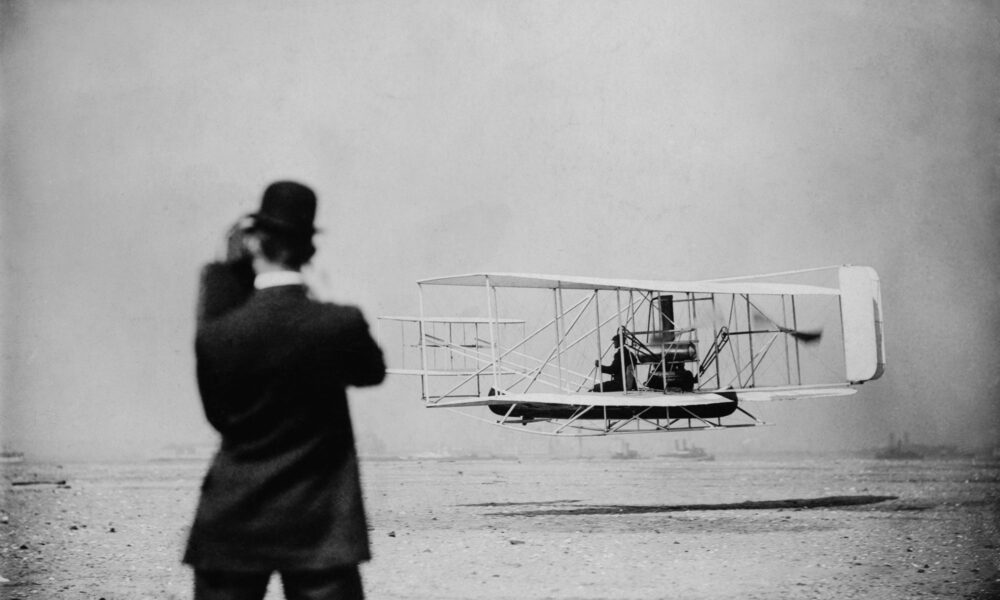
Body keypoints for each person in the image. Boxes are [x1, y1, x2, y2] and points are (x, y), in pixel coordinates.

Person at [183, 181, 386, 600]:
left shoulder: (217, 334)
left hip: (233, 519)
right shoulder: (339, 324)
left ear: (255, 243)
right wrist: (328, 303)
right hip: (321, 526)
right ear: (310, 249)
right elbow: (372, 372)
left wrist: (223, 279)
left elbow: (219, 417)